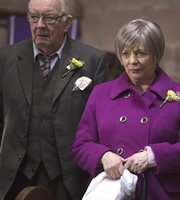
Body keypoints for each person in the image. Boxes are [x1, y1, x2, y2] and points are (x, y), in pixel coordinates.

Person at [0, 0, 109, 199]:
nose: (40, 25)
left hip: (69, 179)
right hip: (14, 177)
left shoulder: (93, 62)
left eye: (49, 17)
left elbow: (101, 127)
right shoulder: (5, 59)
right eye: (34, 17)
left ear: (67, 23)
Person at [70, 19, 180, 200]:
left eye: (140, 53)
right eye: (126, 53)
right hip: (112, 193)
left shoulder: (177, 94)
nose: (132, 61)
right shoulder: (101, 93)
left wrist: (154, 156)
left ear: (156, 55)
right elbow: (80, 146)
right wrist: (103, 155)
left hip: (159, 194)